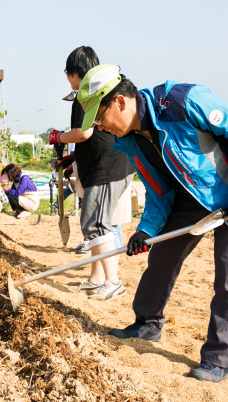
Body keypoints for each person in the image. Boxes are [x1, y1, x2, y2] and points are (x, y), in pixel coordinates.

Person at [79, 63, 228, 382]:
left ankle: (218, 358)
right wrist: (147, 230)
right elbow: (160, 190)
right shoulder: (131, 141)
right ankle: (147, 323)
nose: (100, 126)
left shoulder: (182, 100)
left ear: (119, 102)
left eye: (99, 117)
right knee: (162, 255)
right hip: (191, 196)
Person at [50, 46, 135, 303]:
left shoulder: (84, 96)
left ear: (74, 73)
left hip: (106, 167)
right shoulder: (101, 91)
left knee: (95, 224)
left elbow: (83, 133)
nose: (68, 78)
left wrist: (59, 137)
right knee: (100, 222)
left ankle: (113, 282)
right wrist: (74, 156)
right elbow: (94, 135)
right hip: (110, 163)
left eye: (68, 73)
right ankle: (98, 277)